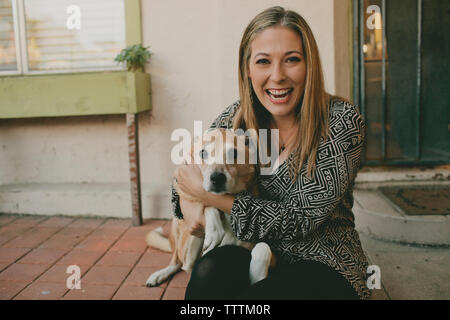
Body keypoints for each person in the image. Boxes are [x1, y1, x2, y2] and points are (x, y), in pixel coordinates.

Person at [172, 6, 371, 300]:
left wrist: (210, 198)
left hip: (322, 260)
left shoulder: (340, 120)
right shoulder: (236, 118)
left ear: (309, 65)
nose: (277, 76)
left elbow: (299, 219)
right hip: (249, 248)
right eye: (263, 61)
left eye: (292, 60)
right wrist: (192, 210)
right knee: (207, 274)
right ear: (248, 68)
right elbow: (183, 179)